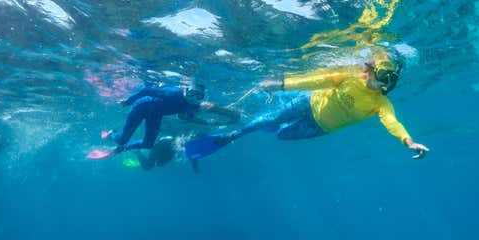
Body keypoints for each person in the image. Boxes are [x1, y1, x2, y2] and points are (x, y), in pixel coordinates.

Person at [185, 53, 429, 160]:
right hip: (308, 102)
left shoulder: (381, 103)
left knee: (281, 134)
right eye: (380, 77)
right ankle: (232, 136)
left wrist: (408, 141)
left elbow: (392, 122)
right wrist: (281, 84)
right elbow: (315, 80)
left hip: (319, 127)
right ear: (371, 71)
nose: (383, 84)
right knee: (269, 121)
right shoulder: (350, 76)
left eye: (388, 82)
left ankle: (269, 120)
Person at [96, 82, 240, 159]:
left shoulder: (190, 105)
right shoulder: (173, 92)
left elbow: (185, 117)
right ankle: (111, 134)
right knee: (122, 139)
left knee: (148, 144)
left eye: (198, 96)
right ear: (185, 89)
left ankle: (122, 149)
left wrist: (209, 122)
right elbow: (146, 90)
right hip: (140, 108)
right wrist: (128, 101)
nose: (193, 98)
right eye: (191, 93)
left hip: (155, 115)